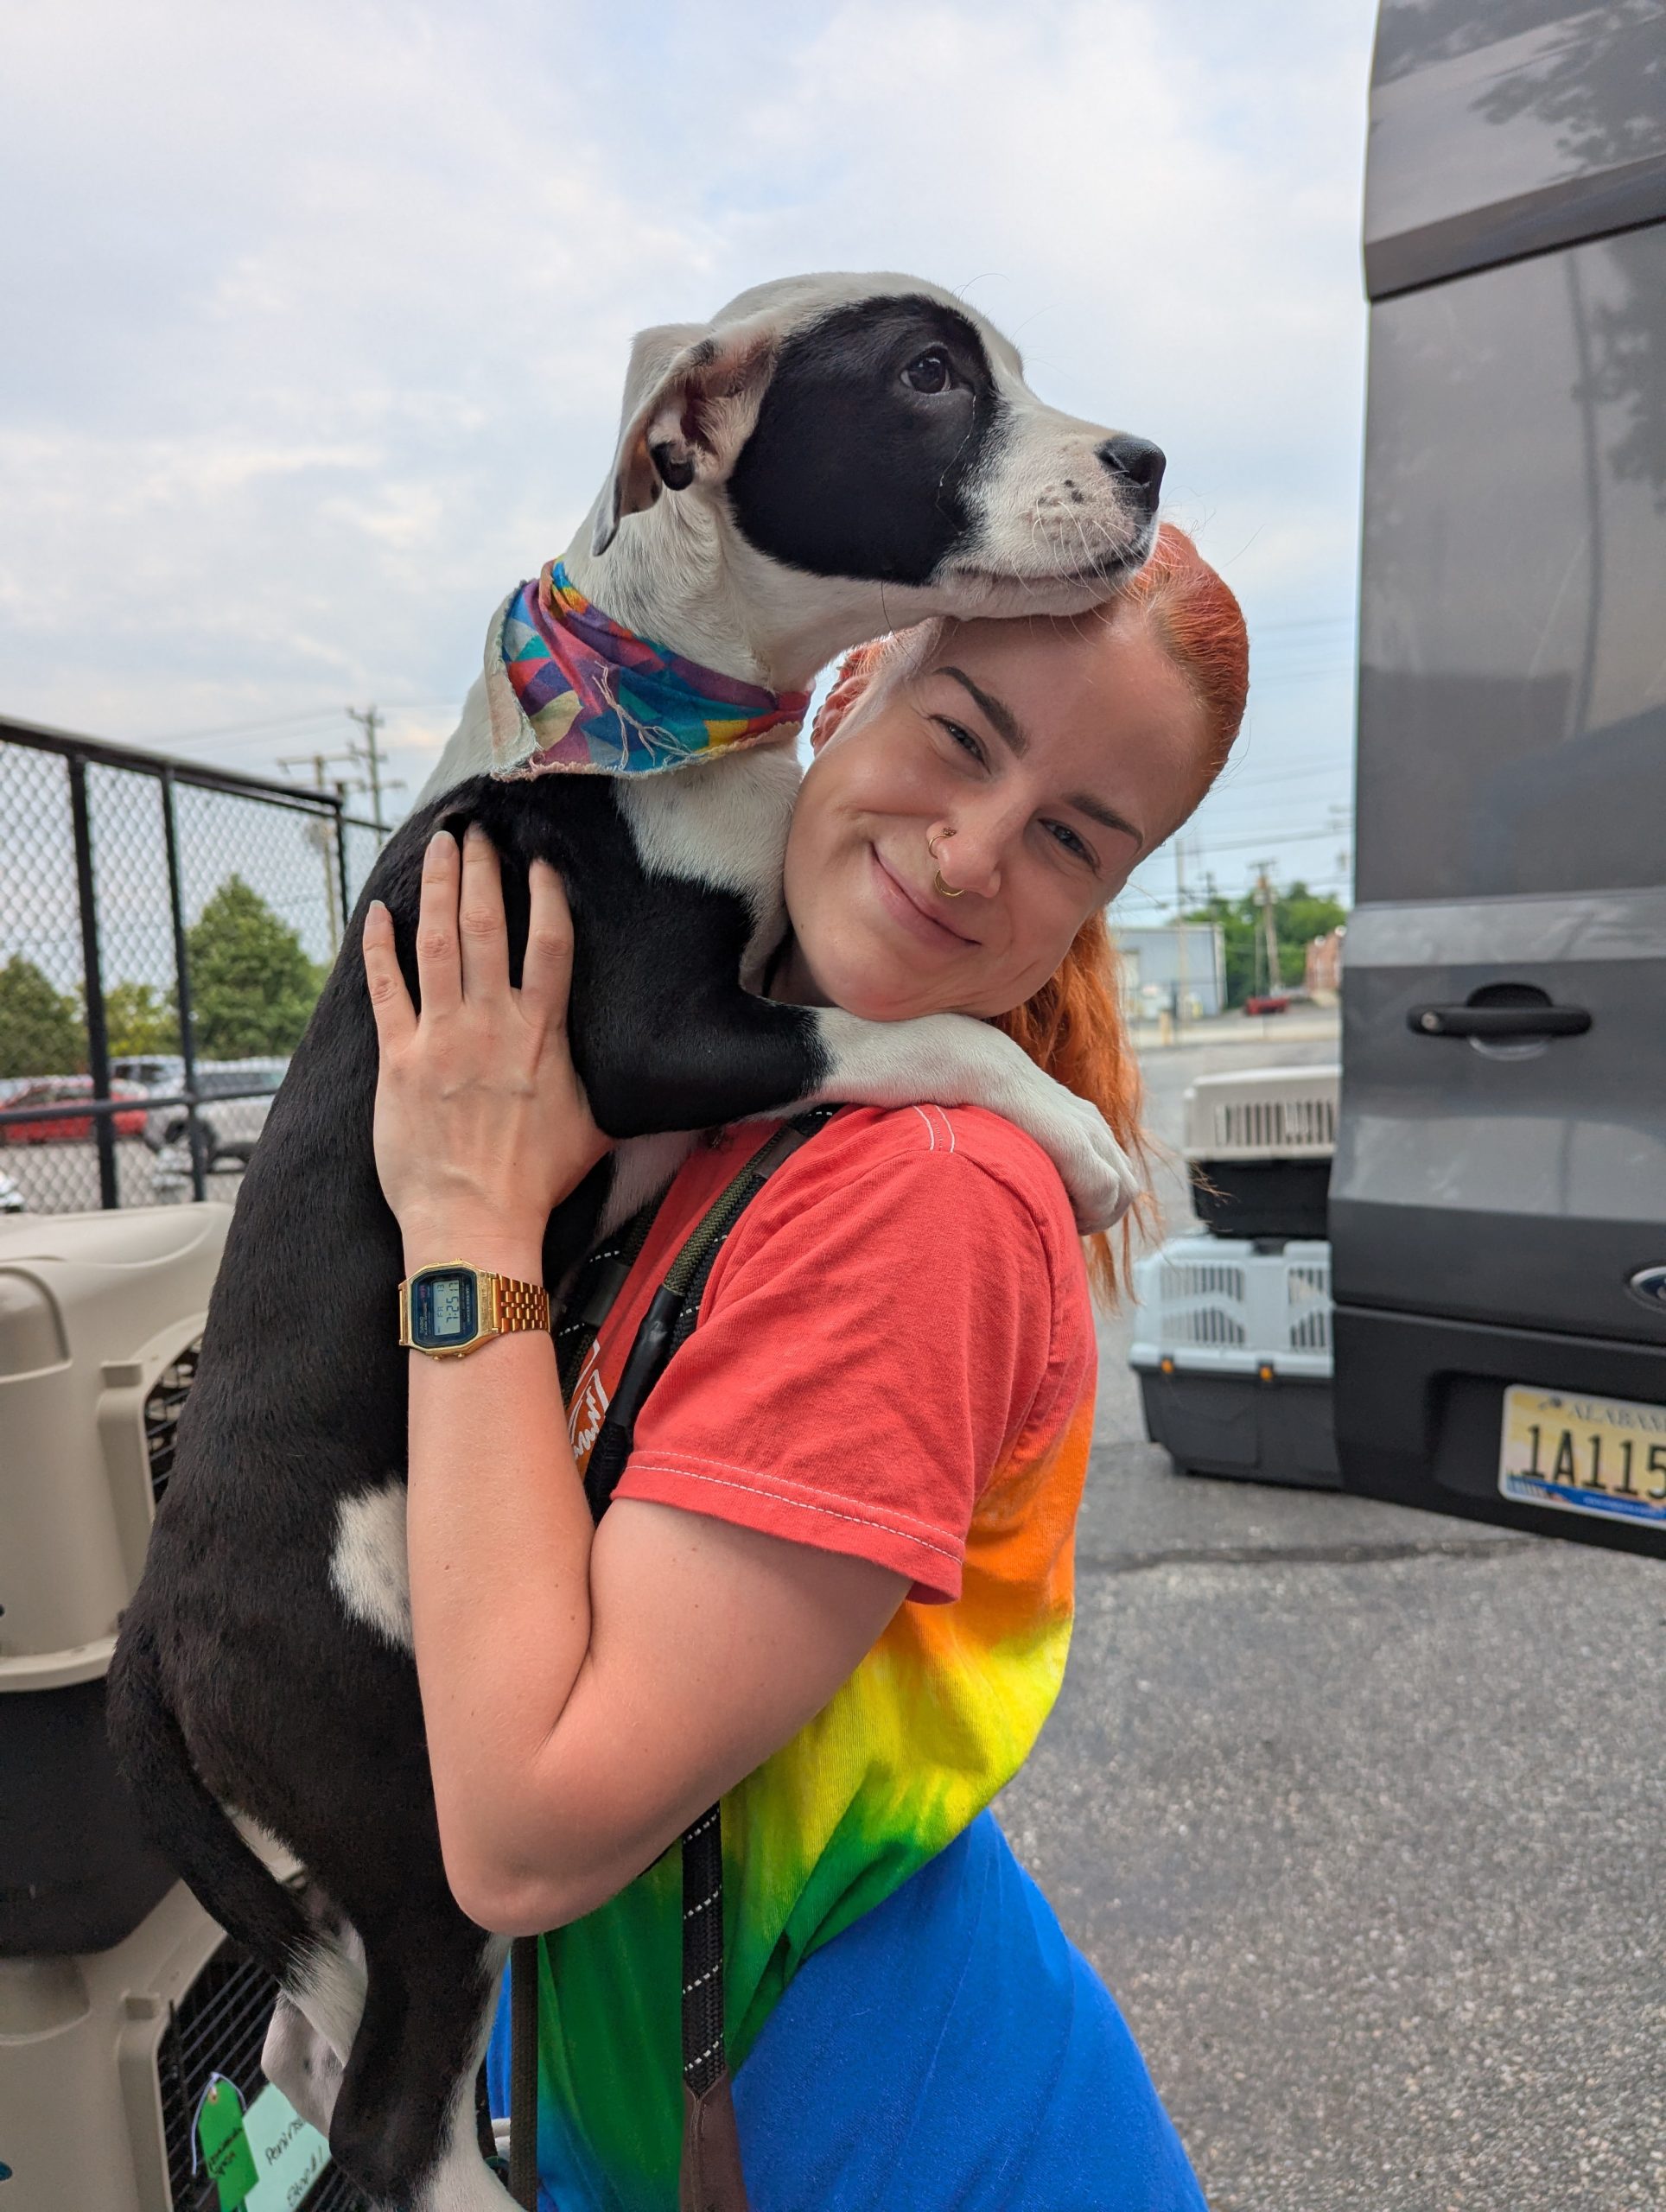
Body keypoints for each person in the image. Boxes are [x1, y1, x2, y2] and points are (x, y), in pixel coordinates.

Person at [360, 522, 1249, 2211]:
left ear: (1101, 899)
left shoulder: (918, 1192)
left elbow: (531, 1823)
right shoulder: (741, 1110)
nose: (974, 851)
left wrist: (464, 1218)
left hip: (907, 2149)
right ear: (846, 678)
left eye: (1070, 837)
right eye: (960, 735)